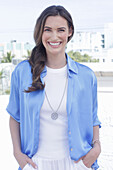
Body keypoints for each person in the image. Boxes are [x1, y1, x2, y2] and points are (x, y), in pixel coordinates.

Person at [6, 5, 101, 170]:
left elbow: (93, 118)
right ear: (40, 32)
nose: (54, 36)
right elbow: (15, 116)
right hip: (35, 163)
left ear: (70, 32)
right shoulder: (22, 72)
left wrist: (97, 147)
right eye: (48, 30)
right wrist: (17, 153)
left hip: (77, 163)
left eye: (61, 30)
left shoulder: (86, 76)